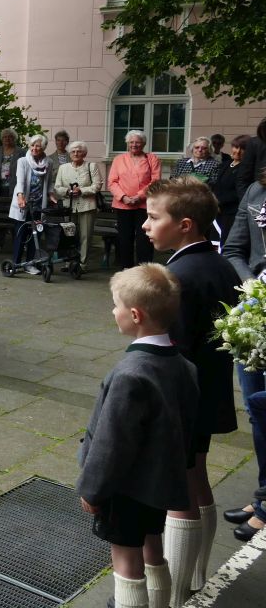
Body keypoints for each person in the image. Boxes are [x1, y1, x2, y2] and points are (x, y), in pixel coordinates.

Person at [142, 177, 241, 603]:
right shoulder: (219, 264)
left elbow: (171, 351)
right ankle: (197, 572)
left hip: (180, 399)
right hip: (208, 390)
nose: (146, 225)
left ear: (185, 225)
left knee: (177, 490)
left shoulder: (177, 278)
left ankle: (177, 592)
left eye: (153, 217)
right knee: (197, 476)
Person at [77, 264, 198, 608]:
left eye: (115, 305)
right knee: (153, 551)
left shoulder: (130, 375)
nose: (112, 312)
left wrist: (92, 489)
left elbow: (111, 443)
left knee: (126, 563)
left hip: (125, 487)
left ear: (135, 315)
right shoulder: (184, 366)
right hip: (158, 484)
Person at [219, 168, 266, 542]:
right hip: (254, 313)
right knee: (256, 409)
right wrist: (253, 286)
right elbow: (233, 249)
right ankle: (264, 494)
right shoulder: (256, 190)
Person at [108, 130, 161, 270]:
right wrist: (123, 197)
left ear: (143, 144)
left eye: (138, 142)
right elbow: (112, 182)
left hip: (145, 205)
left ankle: (144, 269)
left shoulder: (152, 158)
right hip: (123, 205)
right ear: (127, 143)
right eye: (131, 142)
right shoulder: (118, 159)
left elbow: (155, 181)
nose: (134, 145)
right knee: (125, 237)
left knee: (145, 237)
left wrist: (139, 196)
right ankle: (126, 267)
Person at [8, 134, 58, 273]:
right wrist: (20, 196)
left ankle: (30, 264)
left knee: (36, 235)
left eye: (38, 146)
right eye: (32, 145)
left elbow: (49, 182)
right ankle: (16, 263)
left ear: (44, 148)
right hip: (24, 204)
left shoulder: (48, 162)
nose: (34, 148)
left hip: (39, 205)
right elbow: (20, 181)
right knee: (21, 234)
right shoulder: (23, 161)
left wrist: (51, 195)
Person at [53, 141, 103, 271]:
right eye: (73, 151)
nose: (76, 153)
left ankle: (82, 264)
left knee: (85, 236)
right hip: (68, 206)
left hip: (87, 206)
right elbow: (57, 187)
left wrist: (82, 190)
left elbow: (97, 185)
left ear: (84, 153)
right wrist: (67, 191)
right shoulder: (63, 168)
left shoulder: (91, 166)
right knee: (69, 235)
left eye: (79, 151)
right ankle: (69, 262)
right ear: (70, 153)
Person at [210, 135, 247, 244]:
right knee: (215, 242)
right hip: (217, 211)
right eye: (236, 147)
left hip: (232, 213)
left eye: (242, 149)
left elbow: (240, 192)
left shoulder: (246, 168)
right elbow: (217, 185)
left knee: (226, 243)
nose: (238, 151)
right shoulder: (225, 164)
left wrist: (219, 202)